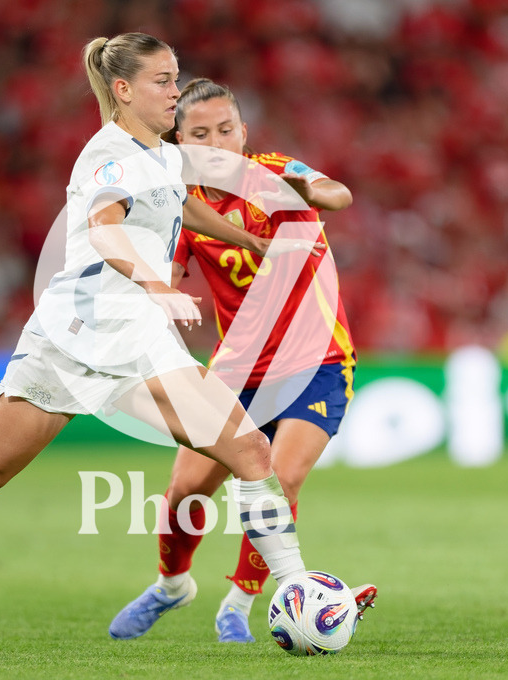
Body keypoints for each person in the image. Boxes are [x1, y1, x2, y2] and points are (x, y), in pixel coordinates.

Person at [0, 33, 329, 635]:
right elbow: (106, 230)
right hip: (74, 336)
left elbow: (182, 206)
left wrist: (251, 240)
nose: (175, 90)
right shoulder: (108, 156)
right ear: (123, 89)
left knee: (250, 452)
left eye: (175, 77)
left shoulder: (161, 151)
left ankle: (294, 589)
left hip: (141, 339)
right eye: (163, 80)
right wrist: (157, 284)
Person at [108, 78, 376, 644]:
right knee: (184, 495)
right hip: (237, 372)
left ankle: (239, 603)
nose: (216, 143)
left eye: (226, 130)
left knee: (278, 481)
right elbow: (166, 274)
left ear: (244, 133)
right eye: (201, 134)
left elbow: (337, 195)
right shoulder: (181, 205)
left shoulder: (275, 172)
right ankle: (172, 584)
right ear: (179, 140)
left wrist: (316, 190)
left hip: (316, 362)